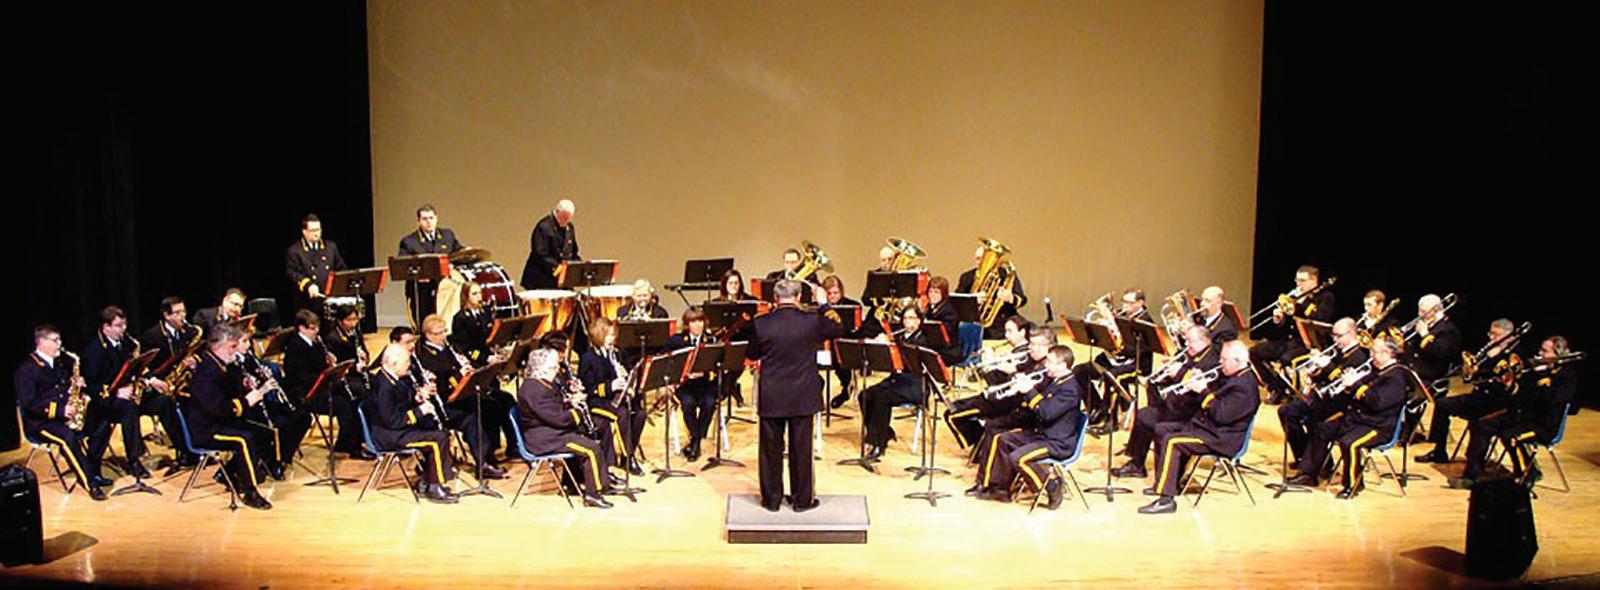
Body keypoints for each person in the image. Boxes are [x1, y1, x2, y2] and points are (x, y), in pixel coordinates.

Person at [746, 279, 843, 512]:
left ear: (776, 298)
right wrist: (823, 304)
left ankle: (771, 500)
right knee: (801, 450)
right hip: (802, 393)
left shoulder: (760, 323)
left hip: (772, 393)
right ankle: (802, 500)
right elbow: (839, 328)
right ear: (799, 297)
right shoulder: (812, 321)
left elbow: (752, 353)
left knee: (770, 450)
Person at [1137, 340, 1260, 515]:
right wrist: (1197, 379)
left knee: (1172, 441)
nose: (1220, 362)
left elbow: (1221, 415)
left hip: (1221, 438)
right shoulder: (1232, 376)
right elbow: (1214, 395)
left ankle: (1166, 499)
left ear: (1238, 361)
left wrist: (1202, 390)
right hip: (1209, 428)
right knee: (1162, 429)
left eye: (1224, 359)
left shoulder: (1245, 387)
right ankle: (1168, 482)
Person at [1287, 336, 1407, 499]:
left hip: (1378, 427)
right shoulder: (1376, 369)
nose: (1371, 355)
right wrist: (1347, 382)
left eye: (1374, 352)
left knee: (1349, 443)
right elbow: (1358, 390)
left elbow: (1377, 403)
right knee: (1322, 429)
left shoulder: (1396, 377)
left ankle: (1353, 484)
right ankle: (1308, 474)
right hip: (1358, 419)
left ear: (1387, 353)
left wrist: (1355, 384)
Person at [1451, 335, 1575, 490]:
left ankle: (1526, 474)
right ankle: (1472, 476)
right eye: (1541, 350)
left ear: (1558, 354)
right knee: (1480, 425)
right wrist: (1511, 382)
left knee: (1511, 437)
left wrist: (1540, 375)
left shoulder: (1566, 375)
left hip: (1543, 425)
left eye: (1545, 351)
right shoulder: (1535, 370)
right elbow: (1521, 395)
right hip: (1522, 416)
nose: (1540, 354)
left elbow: (1549, 400)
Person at [971, 345, 1082, 509]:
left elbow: (1046, 412)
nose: (1046, 366)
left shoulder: (1070, 389)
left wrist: (1029, 390)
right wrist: (1021, 386)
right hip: (1042, 435)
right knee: (1002, 439)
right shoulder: (1055, 381)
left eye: (1050, 362)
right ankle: (1000, 488)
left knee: (1019, 458)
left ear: (1063, 365)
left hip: (1057, 443)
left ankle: (1052, 486)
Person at [185, 322, 277, 510]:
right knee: (244, 440)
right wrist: (247, 401)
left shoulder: (222, 365)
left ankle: (230, 473)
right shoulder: (206, 371)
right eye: (232, 346)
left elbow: (230, 392)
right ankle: (250, 492)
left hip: (221, 421)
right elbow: (217, 409)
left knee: (264, 433)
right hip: (207, 429)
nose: (235, 351)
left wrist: (246, 386)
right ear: (218, 346)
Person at [1112, 325, 1219, 479]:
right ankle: (1137, 464)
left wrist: (1179, 372)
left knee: (1157, 426)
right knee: (1143, 415)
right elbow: (1183, 375)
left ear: (1204, 341)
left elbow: (1196, 382)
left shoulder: (1211, 360)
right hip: (1177, 406)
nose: (1186, 344)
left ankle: (1165, 477)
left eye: (1190, 341)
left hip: (1191, 412)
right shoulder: (1194, 353)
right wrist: (1166, 374)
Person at [15, 325, 107, 500]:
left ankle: (93, 470)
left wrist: (77, 384)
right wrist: (60, 410)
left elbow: (62, 389)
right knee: (67, 437)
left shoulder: (58, 363)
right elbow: (29, 404)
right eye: (55, 340)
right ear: (42, 342)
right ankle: (91, 484)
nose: (60, 344)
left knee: (102, 423)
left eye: (59, 339)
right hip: (41, 423)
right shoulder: (27, 369)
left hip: (66, 416)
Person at [516, 348, 614, 508]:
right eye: (554, 366)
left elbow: (554, 407)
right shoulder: (534, 390)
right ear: (544, 368)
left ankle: (575, 483)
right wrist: (578, 412)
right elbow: (559, 419)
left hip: (551, 431)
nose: (557, 369)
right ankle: (593, 494)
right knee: (591, 449)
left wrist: (570, 401)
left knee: (594, 431)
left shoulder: (543, 383)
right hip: (544, 438)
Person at [368, 344, 459, 504]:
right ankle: (435, 486)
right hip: (389, 435)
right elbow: (391, 420)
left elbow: (401, 400)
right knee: (437, 440)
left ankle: (426, 482)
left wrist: (417, 397)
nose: (409, 365)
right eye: (406, 362)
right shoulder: (383, 386)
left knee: (440, 433)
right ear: (394, 363)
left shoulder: (392, 378)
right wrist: (419, 411)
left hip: (397, 430)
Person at [397, 203, 464, 328]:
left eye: (431, 218)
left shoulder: (447, 235)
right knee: (424, 325)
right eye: (424, 219)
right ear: (418, 221)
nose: (429, 222)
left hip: (445, 289)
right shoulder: (409, 241)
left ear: (436, 218)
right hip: (421, 291)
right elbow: (402, 266)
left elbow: (459, 254)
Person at [667, 308, 718, 462]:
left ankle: (695, 440)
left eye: (700, 321)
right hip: (684, 384)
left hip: (705, 383)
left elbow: (717, 364)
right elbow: (668, 363)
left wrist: (707, 370)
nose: (697, 325)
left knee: (710, 403)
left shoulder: (711, 340)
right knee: (688, 403)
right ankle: (696, 441)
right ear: (687, 324)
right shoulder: (676, 341)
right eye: (693, 322)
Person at [956, 245, 1028, 339]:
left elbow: (1022, 299)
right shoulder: (967, 277)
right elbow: (957, 302)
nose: (981, 262)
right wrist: (973, 300)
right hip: (974, 326)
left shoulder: (1005, 274)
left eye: (984, 259)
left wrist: (1010, 298)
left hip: (1001, 325)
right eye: (978, 259)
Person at [285, 214, 349, 314]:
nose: (317, 234)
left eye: (318, 230)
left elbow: (341, 268)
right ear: (304, 232)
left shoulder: (330, 247)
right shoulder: (295, 250)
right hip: (307, 303)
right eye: (313, 230)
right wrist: (308, 285)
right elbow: (293, 273)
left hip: (329, 300)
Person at [519, 199, 579, 290]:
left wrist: (577, 266)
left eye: (569, 219)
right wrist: (557, 267)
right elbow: (540, 254)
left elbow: (573, 251)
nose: (566, 221)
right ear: (557, 212)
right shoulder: (544, 227)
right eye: (564, 218)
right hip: (542, 278)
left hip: (561, 278)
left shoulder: (569, 228)